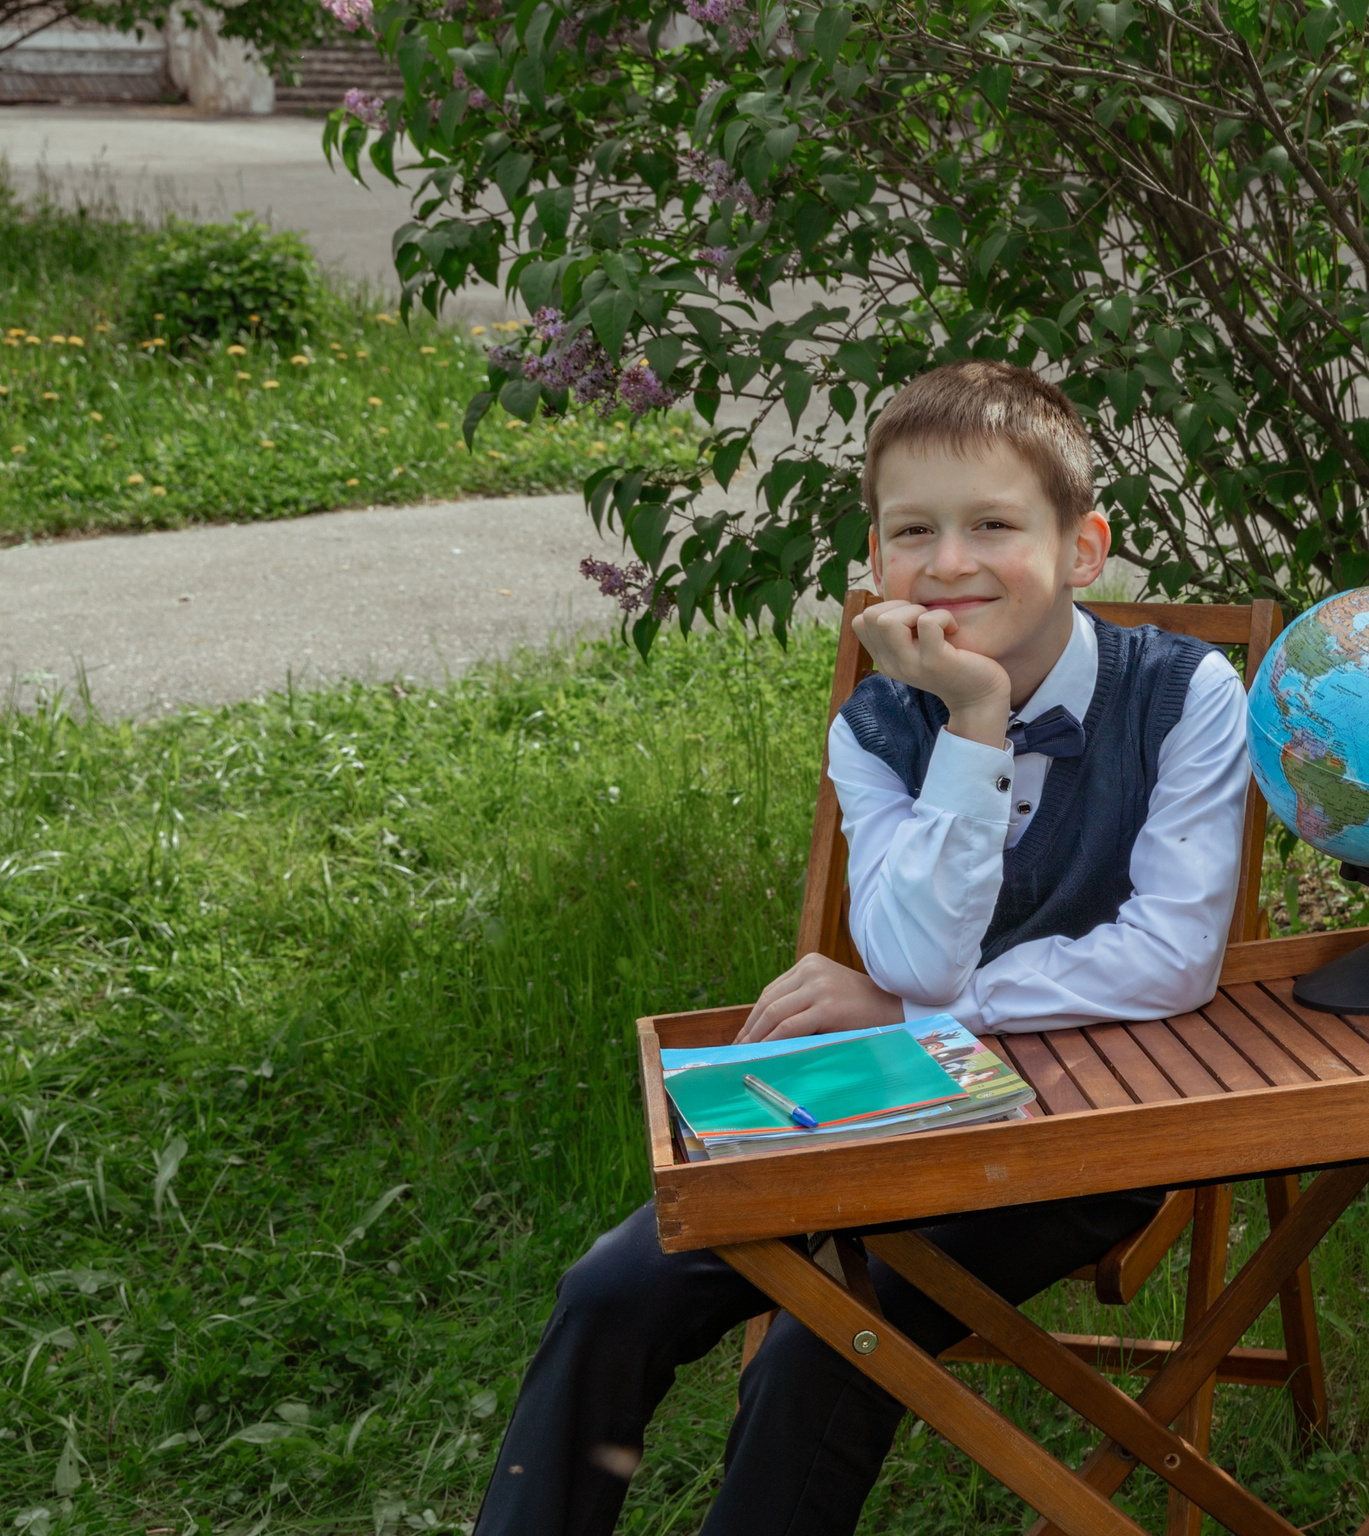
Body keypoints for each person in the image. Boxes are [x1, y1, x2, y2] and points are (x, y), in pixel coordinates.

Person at [473, 360, 1251, 1534]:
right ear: (876, 556)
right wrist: (972, 720)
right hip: (882, 1089)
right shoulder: (878, 723)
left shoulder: (1187, 692)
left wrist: (915, 1013)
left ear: (1084, 546)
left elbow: (1171, 958)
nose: (948, 562)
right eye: (912, 530)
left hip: (1093, 1118)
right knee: (614, 1287)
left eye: (993, 523)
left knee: (828, 1342)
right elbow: (917, 958)